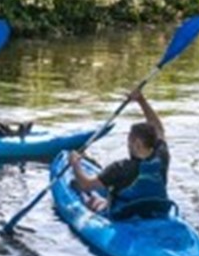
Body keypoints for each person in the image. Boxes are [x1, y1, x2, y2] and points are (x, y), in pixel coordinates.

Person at [65, 89, 173, 219]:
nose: (128, 144)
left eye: (129, 140)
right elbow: (158, 128)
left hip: (124, 216)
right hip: (155, 210)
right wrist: (141, 100)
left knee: (91, 198)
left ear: (137, 143)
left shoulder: (120, 168)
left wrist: (75, 164)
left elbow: (86, 185)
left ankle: (96, 201)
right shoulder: (161, 156)